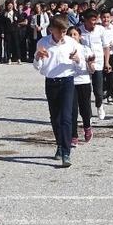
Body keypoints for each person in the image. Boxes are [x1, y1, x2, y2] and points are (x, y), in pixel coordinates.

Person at [33, 15, 81, 167]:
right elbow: (37, 67)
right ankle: (60, 144)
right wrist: (37, 57)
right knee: (55, 117)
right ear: (51, 29)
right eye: (59, 31)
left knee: (66, 116)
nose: (62, 35)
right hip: (51, 82)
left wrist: (77, 59)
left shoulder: (71, 42)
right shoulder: (43, 42)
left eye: (64, 31)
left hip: (67, 81)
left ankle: (66, 152)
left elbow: (81, 66)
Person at [78, 9, 112, 120]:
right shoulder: (79, 30)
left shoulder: (101, 30)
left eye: (95, 20)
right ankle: (87, 113)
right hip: (84, 64)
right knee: (85, 91)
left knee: (98, 90)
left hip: (98, 63)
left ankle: (99, 106)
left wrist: (107, 62)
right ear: (85, 20)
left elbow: (106, 47)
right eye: (92, 20)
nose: (94, 22)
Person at [67, 26, 96, 146]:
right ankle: (73, 135)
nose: (72, 37)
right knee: (71, 110)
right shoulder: (64, 49)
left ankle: (87, 127)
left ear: (79, 36)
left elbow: (92, 70)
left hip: (83, 82)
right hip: (70, 82)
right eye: (70, 34)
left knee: (85, 109)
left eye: (74, 34)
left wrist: (89, 64)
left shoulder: (85, 49)